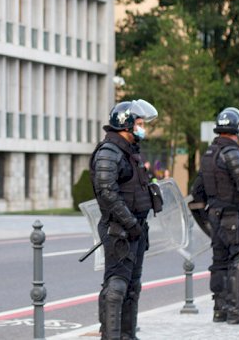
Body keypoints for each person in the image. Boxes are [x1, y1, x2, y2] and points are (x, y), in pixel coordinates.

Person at [90, 99, 160, 340]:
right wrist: (129, 223)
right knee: (116, 286)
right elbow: (107, 193)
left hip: (136, 229)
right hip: (119, 230)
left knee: (132, 286)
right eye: (139, 123)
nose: (143, 128)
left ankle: (128, 335)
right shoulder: (109, 152)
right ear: (126, 124)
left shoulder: (129, 152)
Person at [191, 107, 239, 325]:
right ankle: (236, 309)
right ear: (237, 128)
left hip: (214, 214)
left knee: (220, 262)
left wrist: (208, 219)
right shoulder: (232, 153)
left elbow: (197, 192)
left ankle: (219, 309)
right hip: (231, 214)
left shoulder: (209, 155)